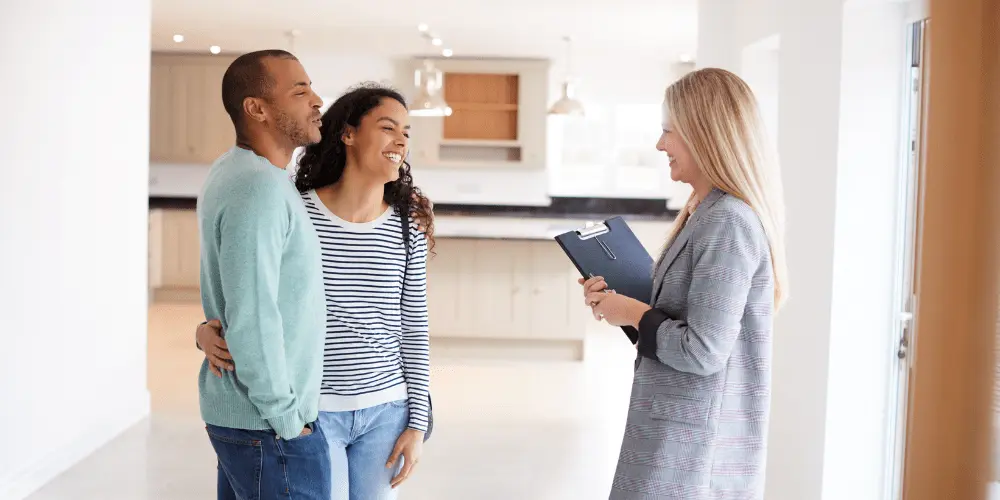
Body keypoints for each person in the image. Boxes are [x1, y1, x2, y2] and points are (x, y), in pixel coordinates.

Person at [197, 82, 434, 500]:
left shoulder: (406, 225)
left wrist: (418, 421)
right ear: (348, 133)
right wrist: (204, 331)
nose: (401, 141)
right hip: (314, 409)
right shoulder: (296, 208)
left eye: (407, 132)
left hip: (386, 410)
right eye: (387, 127)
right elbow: (253, 294)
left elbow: (413, 325)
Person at [580, 67, 788, 500]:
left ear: (705, 134)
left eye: (668, 131)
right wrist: (620, 304)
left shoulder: (728, 221)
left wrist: (634, 312)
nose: (660, 145)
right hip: (678, 440)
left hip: (694, 458)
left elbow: (703, 350)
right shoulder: (705, 212)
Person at [196, 49, 331, 499]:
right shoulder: (258, 187)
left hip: (252, 420)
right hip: (269, 425)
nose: (317, 100)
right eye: (300, 90)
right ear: (256, 108)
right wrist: (289, 420)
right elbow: (252, 311)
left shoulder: (239, 172)